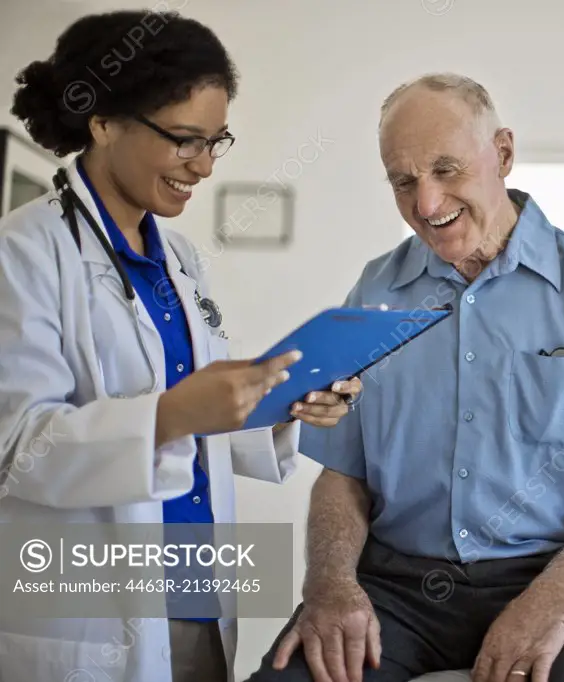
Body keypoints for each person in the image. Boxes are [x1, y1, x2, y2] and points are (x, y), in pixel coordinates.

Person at [247, 73, 564, 682]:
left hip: (553, 575)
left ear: (502, 153)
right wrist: (330, 585)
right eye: (404, 181)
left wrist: (549, 602)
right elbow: (342, 477)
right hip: (397, 589)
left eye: (446, 169)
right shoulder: (377, 290)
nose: (426, 205)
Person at [0, 11, 360, 682]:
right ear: (103, 120)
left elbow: (203, 418)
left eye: (215, 141)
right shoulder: (23, 252)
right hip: (85, 600)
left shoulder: (181, 261)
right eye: (184, 140)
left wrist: (283, 404)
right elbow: (19, 449)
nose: (202, 166)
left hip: (197, 588)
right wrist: (170, 416)